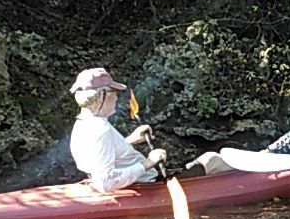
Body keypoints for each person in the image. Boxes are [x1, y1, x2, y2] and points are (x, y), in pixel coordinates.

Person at [69, 67, 230, 193]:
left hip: (139, 181)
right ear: (103, 95)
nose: (117, 97)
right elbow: (106, 182)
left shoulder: (83, 124)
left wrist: (130, 140)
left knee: (210, 160)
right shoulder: (101, 130)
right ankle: (253, 179)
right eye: (113, 92)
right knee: (212, 159)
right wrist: (148, 162)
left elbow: (102, 155)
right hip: (149, 184)